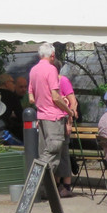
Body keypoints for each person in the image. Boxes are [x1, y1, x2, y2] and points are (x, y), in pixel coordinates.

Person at [28, 44, 77, 197]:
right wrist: (69, 111)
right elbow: (56, 97)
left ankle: (40, 189)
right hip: (54, 117)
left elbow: (30, 99)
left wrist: (43, 100)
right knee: (53, 153)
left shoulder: (33, 70)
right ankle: (36, 185)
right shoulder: (51, 69)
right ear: (53, 55)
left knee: (45, 153)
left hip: (41, 118)